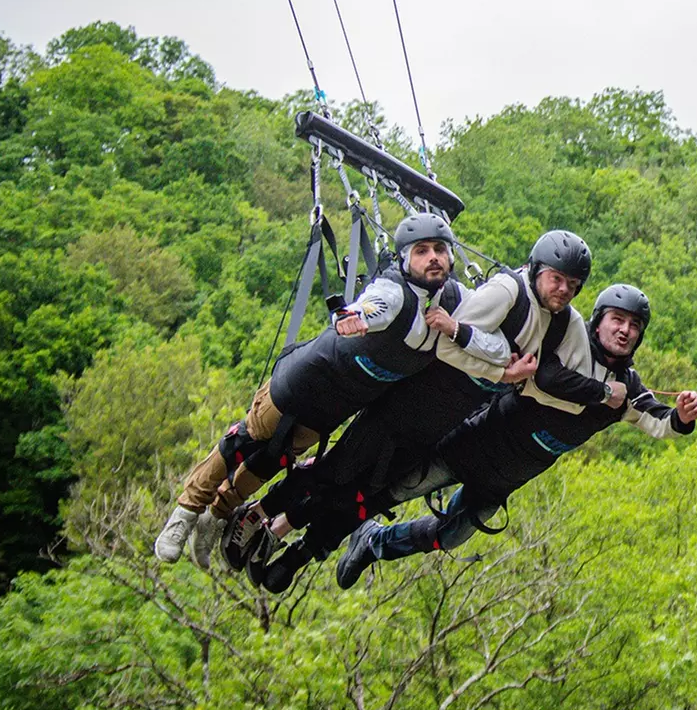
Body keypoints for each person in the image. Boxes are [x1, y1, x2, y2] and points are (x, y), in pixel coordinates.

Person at [222, 230, 616, 585]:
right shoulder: (507, 291)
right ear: (536, 269)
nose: (563, 289)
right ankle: (259, 516)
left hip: (445, 420)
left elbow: (555, 371)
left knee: (363, 492)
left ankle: (284, 537)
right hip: (413, 402)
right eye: (556, 279)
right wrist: (502, 374)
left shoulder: (562, 321)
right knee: (337, 471)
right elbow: (446, 345)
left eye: (573, 285)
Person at [152, 213, 516, 566]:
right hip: (306, 381)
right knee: (246, 441)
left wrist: (459, 330)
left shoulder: (455, 300)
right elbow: (372, 306)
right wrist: (353, 317)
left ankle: (217, 515)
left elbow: (494, 342)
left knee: (273, 459)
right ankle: (185, 513)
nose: (433, 257)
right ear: (405, 259)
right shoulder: (392, 292)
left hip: (338, 404)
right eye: (421, 251)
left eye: (440, 249)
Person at [327, 283, 697, 590]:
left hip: (506, 478)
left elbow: (660, 423)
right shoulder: (568, 348)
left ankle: (374, 543)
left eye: (634, 325)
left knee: (451, 536)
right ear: (598, 322)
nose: (624, 330)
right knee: (392, 491)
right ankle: (314, 521)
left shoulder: (629, 387)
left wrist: (682, 416)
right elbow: (546, 378)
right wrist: (603, 394)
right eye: (617, 320)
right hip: (471, 445)